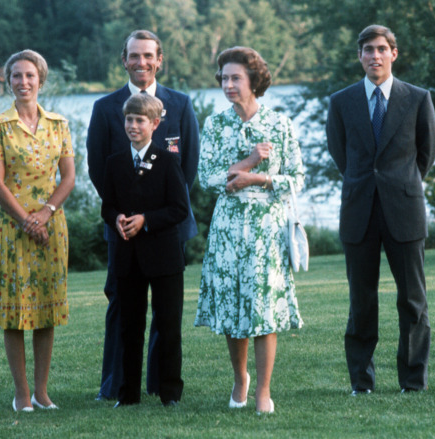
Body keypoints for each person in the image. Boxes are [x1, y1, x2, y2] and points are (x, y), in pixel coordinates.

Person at [87, 29, 199, 400]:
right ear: (124, 60)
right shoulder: (105, 107)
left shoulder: (180, 104)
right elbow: (98, 172)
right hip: (123, 234)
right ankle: (118, 386)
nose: (141, 62)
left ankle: (161, 386)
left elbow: (188, 170)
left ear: (159, 60)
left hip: (166, 232)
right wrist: (121, 216)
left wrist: (151, 217)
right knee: (124, 314)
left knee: (167, 319)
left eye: (148, 56)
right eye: (134, 56)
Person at [326, 25, 435, 395]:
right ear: (359, 56)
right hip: (359, 212)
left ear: (393, 53)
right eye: (368, 50)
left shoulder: (418, 98)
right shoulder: (341, 102)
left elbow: (426, 153)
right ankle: (362, 381)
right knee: (361, 301)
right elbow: (341, 154)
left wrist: (400, 184)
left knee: (412, 300)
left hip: (404, 212)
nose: (374, 56)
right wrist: (368, 184)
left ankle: (412, 381)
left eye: (381, 49)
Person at [194, 46, 304, 414]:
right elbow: (206, 178)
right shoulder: (214, 124)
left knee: (264, 309)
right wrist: (250, 162)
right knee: (232, 307)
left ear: (254, 80)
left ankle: (263, 391)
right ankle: (240, 378)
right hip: (227, 230)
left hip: (266, 230)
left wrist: (260, 178)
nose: (227, 85)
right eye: (223, 78)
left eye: (235, 78)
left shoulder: (280, 124)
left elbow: (298, 179)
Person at [0, 49, 75, 411]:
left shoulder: (59, 124)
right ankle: (22, 394)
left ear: (41, 80)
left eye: (29, 76)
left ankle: (42, 391)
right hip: (12, 228)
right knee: (16, 312)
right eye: (16, 76)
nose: (23, 82)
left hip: (51, 227)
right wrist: (26, 220)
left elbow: (68, 177)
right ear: (8, 81)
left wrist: (46, 213)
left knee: (46, 310)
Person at [102, 93, 189, 407]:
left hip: (164, 258)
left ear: (155, 124)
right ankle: (128, 395)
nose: (133, 126)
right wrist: (117, 218)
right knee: (129, 327)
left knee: (168, 327)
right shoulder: (114, 162)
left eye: (140, 120)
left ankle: (170, 393)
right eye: (129, 119)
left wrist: (146, 220)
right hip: (128, 258)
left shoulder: (168, 161)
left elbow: (179, 209)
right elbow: (107, 206)